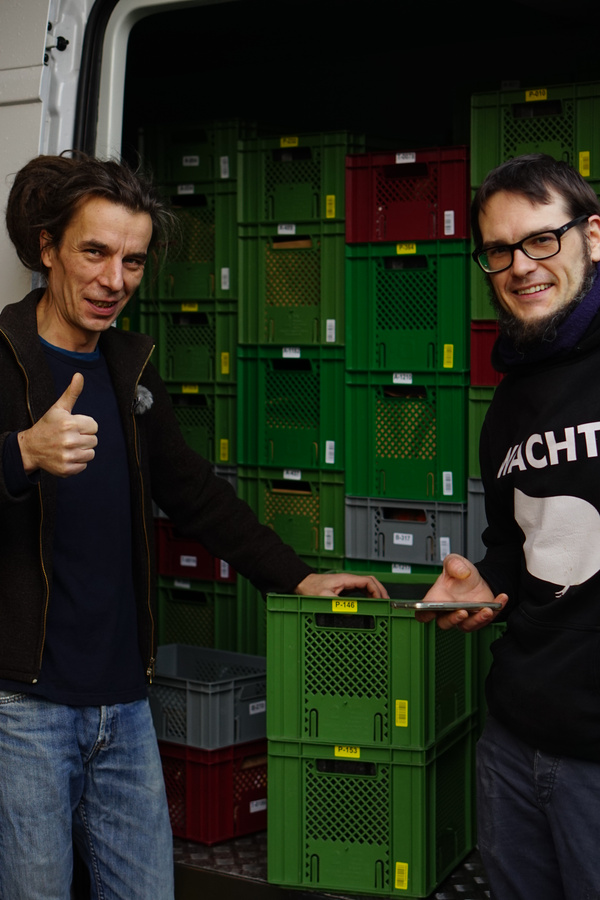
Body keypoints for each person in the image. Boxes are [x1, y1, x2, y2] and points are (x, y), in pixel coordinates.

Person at [0, 152, 387, 900]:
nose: (115, 280)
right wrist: (21, 452)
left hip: (123, 703)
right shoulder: (3, 358)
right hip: (25, 708)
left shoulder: (129, 367)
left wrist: (298, 577)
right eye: (95, 252)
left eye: (134, 261)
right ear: (48, 248)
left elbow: (196, 494)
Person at [417, 153, 600, 900]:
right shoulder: (510, 402)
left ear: (593, 236)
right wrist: (485, 583)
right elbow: (516, 545)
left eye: (541, 239)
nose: (521, 265)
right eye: (499, 249)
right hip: (516, 741)